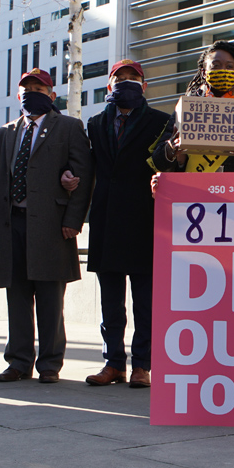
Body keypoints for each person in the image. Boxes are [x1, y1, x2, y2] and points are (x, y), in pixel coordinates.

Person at [0, 68, 92, 384]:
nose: (32, 92)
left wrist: (74, 220)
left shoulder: (69, 127)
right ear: (18, 96)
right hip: (11, 225)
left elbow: (83, 178)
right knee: (16, 299)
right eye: (27, 88)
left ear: (52, 95)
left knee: (49, 299)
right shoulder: (3, 133)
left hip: (52, 226)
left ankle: (49, 363)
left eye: (39, 88)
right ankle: (18, 362)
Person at [78, 60, 172, 388]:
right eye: (120, 78)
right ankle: (113, 362)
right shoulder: (94, 123)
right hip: (106, 219)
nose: (127, 82)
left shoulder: (162, 122)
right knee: (110, 303)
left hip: (145, 220)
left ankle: (142, 365)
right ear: (109, 85)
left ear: (144, 86)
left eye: (134, 78)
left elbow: (172, 165)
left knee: (145, 301)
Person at [152, 41, 234, 173]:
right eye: (216, 66)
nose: (223, 71)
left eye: (229, 67)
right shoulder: (187, 108)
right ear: (204, 72)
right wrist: (171, 150)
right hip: (197, 192)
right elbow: (158, 163)